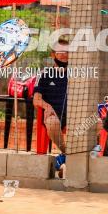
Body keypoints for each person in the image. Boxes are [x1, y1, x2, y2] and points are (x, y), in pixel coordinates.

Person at [32, 39, 69, 178]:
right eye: (60, 51)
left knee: (98, 121)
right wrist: (47, 106)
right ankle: (69, 153)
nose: (64, 55)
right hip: (53, 116)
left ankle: (67, 158)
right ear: (53, 54)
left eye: (67, 52)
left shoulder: (78, 75)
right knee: (53, 122)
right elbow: (36, 99)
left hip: (74, 117)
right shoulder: (44, 74)